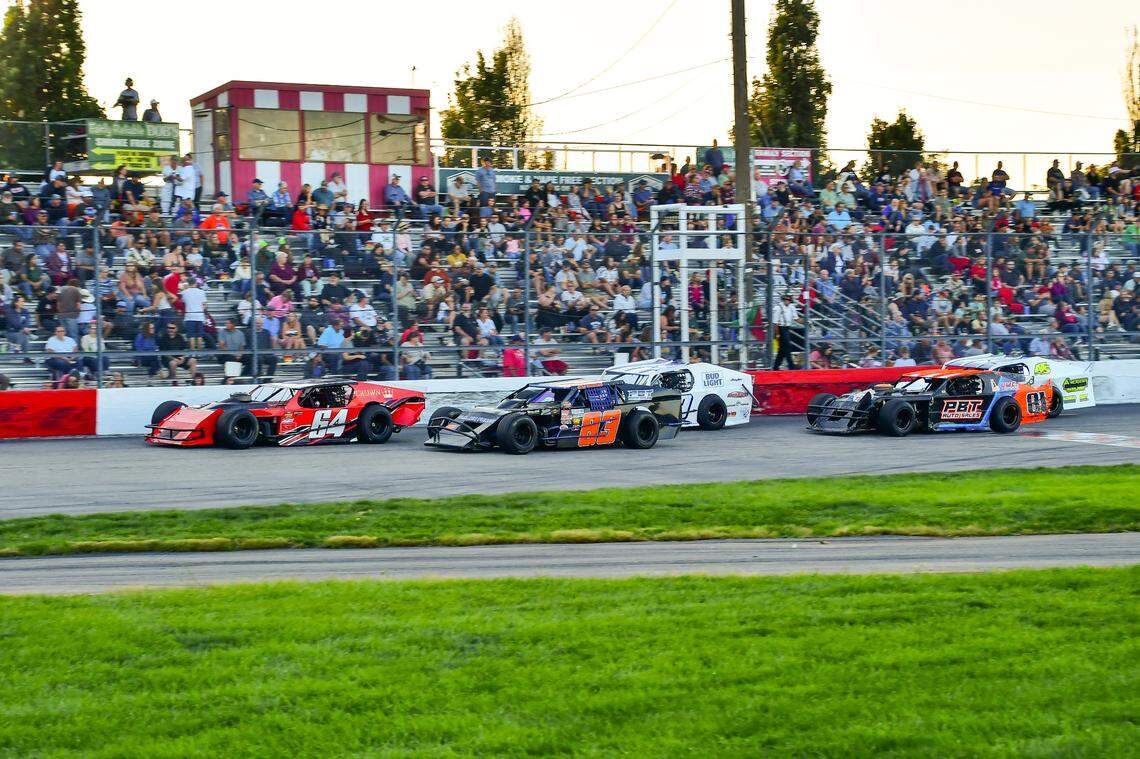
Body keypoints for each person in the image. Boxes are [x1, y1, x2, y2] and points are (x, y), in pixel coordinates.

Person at [771, 292, 800, 370]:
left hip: (787, 328)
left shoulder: (791, 307)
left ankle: (775, 367)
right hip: (780, 328)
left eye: (789, 299)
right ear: (783, 299)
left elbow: (796, 319)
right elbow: (775, 323)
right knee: (788, 346)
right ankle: (791, 366)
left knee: (782, 350)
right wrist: (777, 334)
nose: (787, 301)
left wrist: (806, 321)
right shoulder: (778, 308)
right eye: (786, 299)